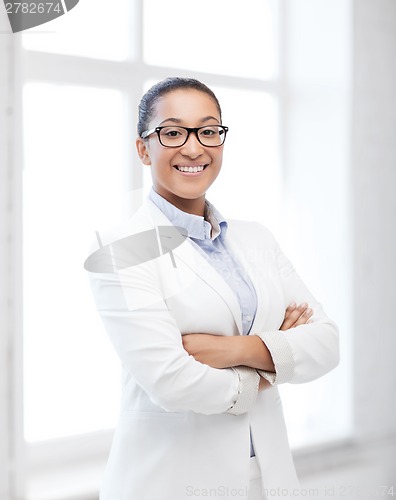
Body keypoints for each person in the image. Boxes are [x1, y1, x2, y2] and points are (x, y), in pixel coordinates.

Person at [85, 77, 339, 500]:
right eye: (172, 132)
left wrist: (232, 351)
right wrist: (276, 357)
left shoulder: (257, 238)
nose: (193, 147)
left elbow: (327, 343)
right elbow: (170, 380)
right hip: (172, 482)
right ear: (143, 149)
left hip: (269, 477)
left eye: (208, 130)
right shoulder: (120, 248)